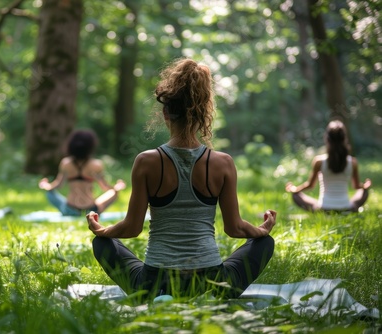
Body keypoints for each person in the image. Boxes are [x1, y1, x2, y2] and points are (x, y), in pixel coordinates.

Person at [86, 58, 276, 302]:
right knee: (264, 244)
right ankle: (212, 297)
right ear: (203, 112)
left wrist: (101, 230)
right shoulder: (223, 162)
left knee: (103, 245)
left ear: (166, 112)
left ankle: (157, 298)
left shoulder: (146, 161)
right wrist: (261, 230)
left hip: (154, 282)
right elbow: (235, 228)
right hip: (211, 281)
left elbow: (132, 228)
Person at [285, 120, 371, 213]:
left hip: (323, 209)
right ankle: (347, 210)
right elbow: (356, 186)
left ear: (327, 138)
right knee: (364, 192)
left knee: (295, 195)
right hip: (347, 208)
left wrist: (295, 189)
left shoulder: (319, 161)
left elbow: (310, 185)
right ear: (344, 139)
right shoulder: (352, 162)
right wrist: (365, 186)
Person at [38, 129, 126, 216]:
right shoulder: (96, 164)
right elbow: (105, 187)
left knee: (50, 193)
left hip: (69, 209)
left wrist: (46, 186)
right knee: (114, 193)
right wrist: (117, 187)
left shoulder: (66, 163)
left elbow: (58, 185)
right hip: (91, 210)